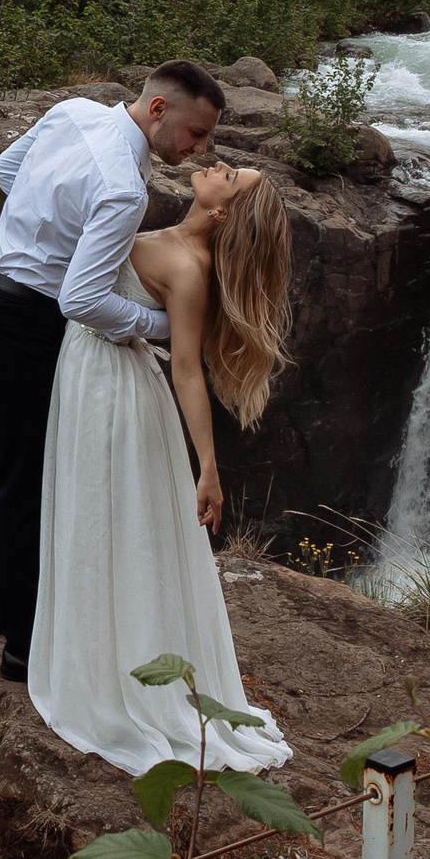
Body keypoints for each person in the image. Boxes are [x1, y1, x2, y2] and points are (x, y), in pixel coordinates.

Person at [26, 161, 296, 776]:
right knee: (91, 518)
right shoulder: (170, 237)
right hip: (90, 370)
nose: (220, 164)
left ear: (223, 212)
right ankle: (90, 656)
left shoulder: (188, 267)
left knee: (107, 524)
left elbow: (188, 370)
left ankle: (116, 677)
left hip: (115, 392)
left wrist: (208, 468)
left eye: (232, 176)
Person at [0, 62, 223, 683]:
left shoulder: (73, 111)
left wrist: (45, 223)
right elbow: (80, 299)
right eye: (195, 134)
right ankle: (23, 647)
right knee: (29, 476)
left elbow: (5, 171)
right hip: (29, 319)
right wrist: (158, 325)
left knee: (1, 458)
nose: (199, 150)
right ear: (158, 109)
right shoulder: (124, 187)